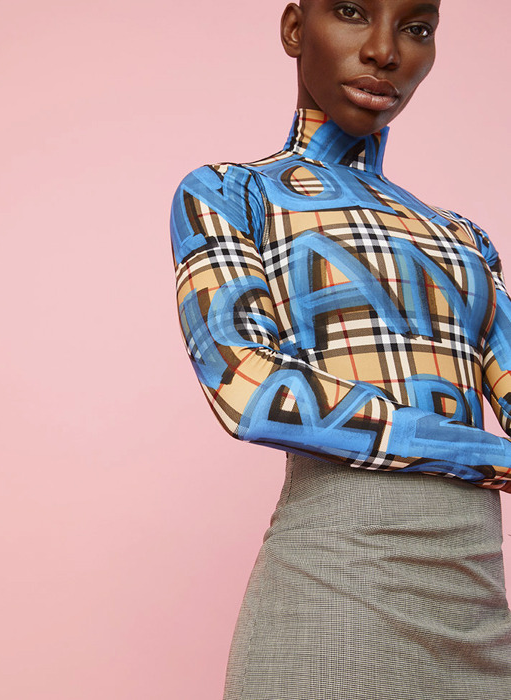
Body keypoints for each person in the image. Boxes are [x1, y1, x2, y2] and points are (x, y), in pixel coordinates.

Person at [170, 0, 511, 697]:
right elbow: (248, 387)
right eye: (354, 12)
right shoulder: (234, 193)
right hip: (330, 591)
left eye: (416, 28)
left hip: (480, 611)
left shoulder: (465, 239)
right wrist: (479, 452)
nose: (385, 52)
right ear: (296, 28)